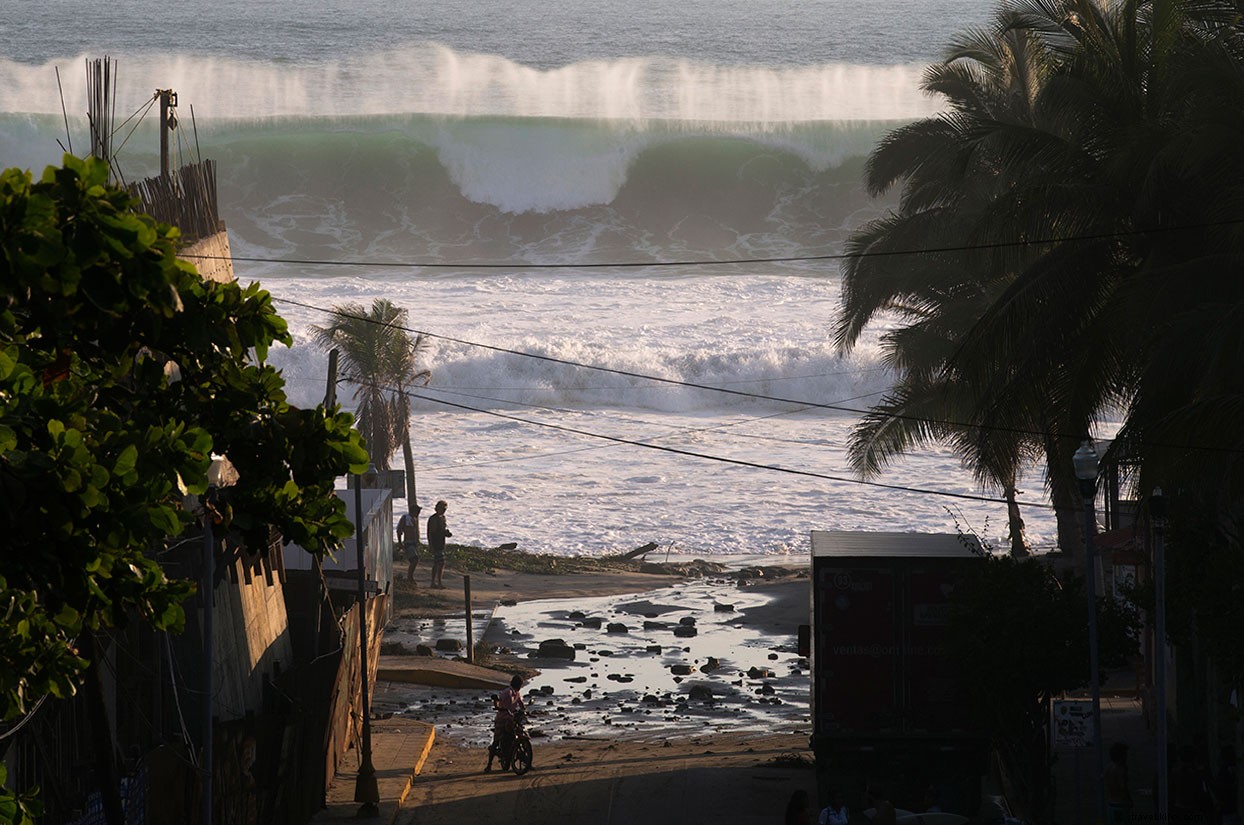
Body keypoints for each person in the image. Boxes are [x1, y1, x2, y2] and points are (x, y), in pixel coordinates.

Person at [485, 674, 525, 772]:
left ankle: (527, 761)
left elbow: (521, 704)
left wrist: (524, 710)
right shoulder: (508, 691)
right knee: (496, 740)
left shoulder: (517, 693)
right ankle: (489, 764)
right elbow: (499, 698)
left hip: (512, 718)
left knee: (521, 732)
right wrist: (497, 703)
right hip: (503, 718)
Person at [1106, 742, 1132, 825]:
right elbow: (1123, 787)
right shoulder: (1120, 770)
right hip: (1120, 805)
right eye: (1125, 754)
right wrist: (1129, 799)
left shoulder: (1109, 767)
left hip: (1111, 803)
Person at [427, 499, 451, 589]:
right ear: (437, 508)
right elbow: (431, 533)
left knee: (440, 563)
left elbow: (442, 530)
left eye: (445, 509)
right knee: (438, 563)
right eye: (442, 508)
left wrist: (446, 533)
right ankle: (434, 582)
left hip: (441, 543)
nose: (444, 510)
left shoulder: (442, 518)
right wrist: (431, 545)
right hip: (436, 543)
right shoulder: (433, 518)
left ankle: (438, 582)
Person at [396, 505, 422, 582]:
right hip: (408, 542)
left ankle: (410, 577)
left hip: (413, 543)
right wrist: (400, 543)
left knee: (414, 560)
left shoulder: (414, 519)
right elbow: (399, 530)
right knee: (414, 559)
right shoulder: (405, 518)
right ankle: (409, 577)